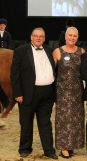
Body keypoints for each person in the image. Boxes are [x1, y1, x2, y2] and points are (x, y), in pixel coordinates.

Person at [10, 27, 58, 159]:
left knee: (45, 123)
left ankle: (49, 150)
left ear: (44, 38)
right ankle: (25, 148)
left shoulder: (49, 50)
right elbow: (15, 74)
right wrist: (17, 93)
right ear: (31, 37)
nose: (38, 38)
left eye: (41, 36)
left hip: (47, 93)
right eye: (36, 36)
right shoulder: (20, 51)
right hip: (27, 93)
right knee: (26, 123)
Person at [52, 26, 85, 158]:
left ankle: (73, 145)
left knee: (77, 119)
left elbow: (86, 71)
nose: (72, 38)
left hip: (77, 91)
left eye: (75, 36)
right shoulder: (57, 52)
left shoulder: (82, 51)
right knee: (63, 119)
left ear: (77, 38)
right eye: (70, 35)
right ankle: (63, 147)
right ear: (65, 37)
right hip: (62, 92)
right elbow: (52, 73)